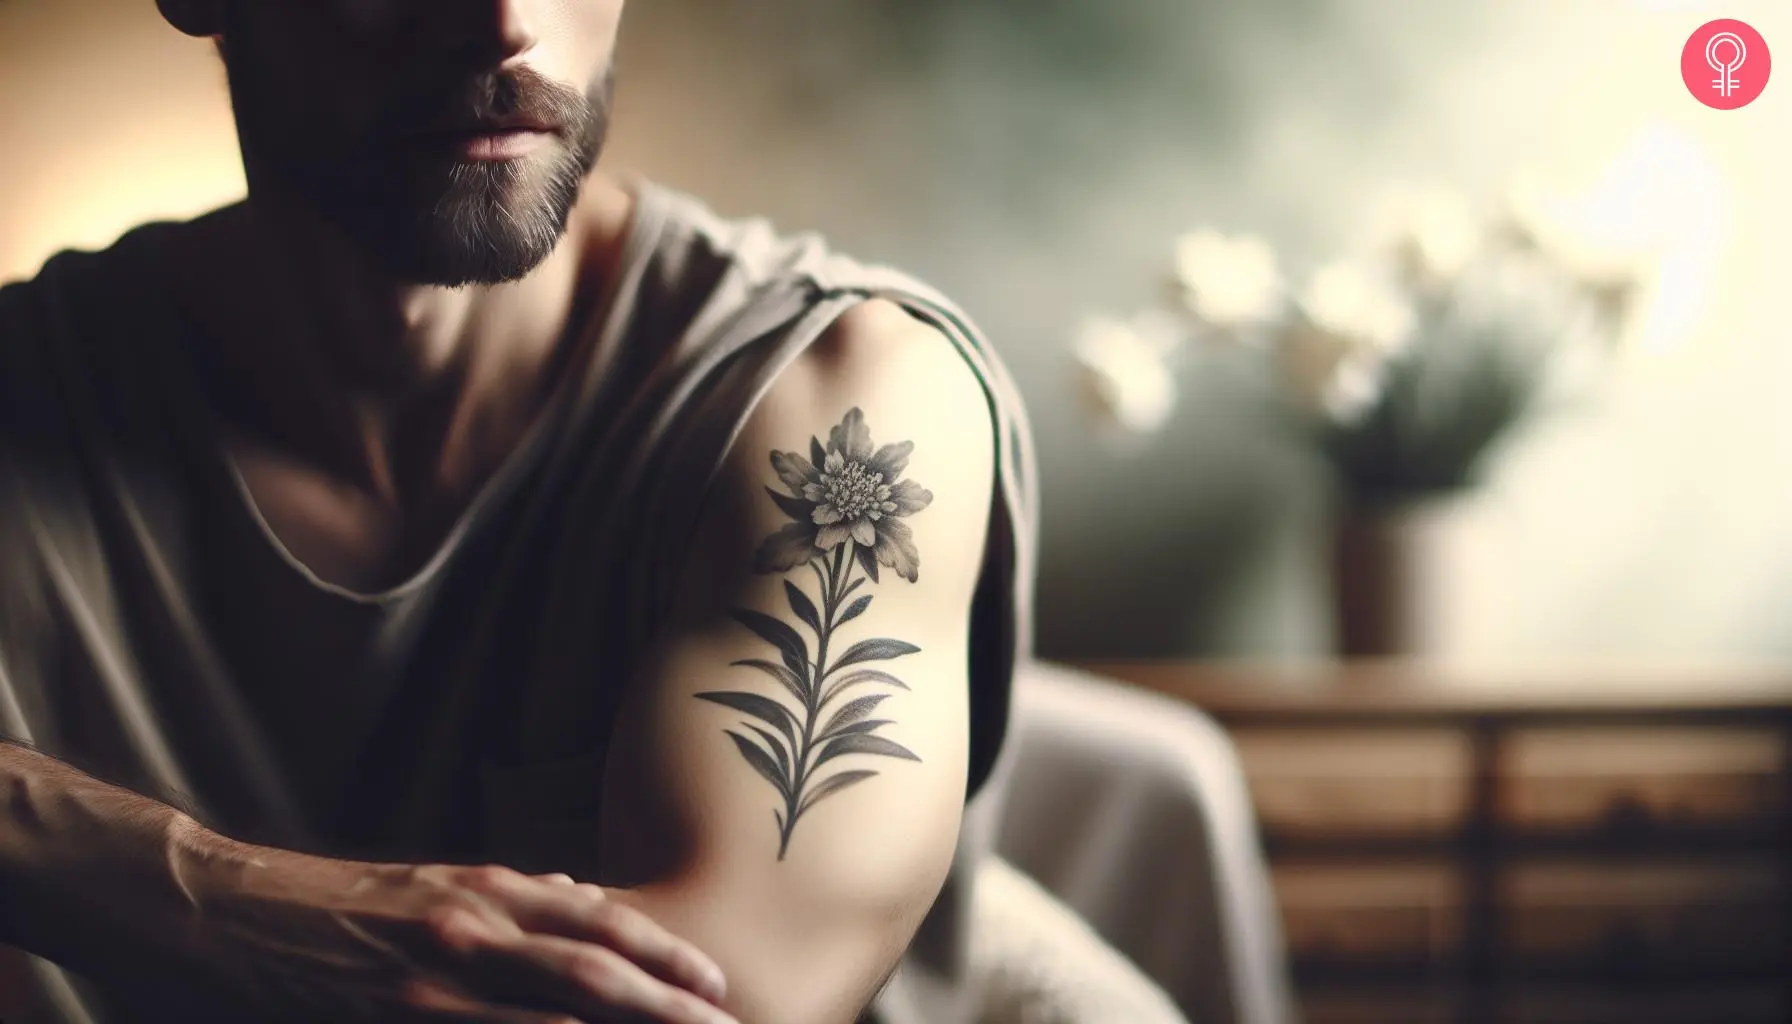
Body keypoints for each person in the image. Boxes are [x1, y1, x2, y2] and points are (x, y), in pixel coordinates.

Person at [0, 2, 1040, 1022]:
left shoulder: (840, 402)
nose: (502, 22)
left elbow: (698, 1003)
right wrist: (225, 904)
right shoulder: (32, 388)